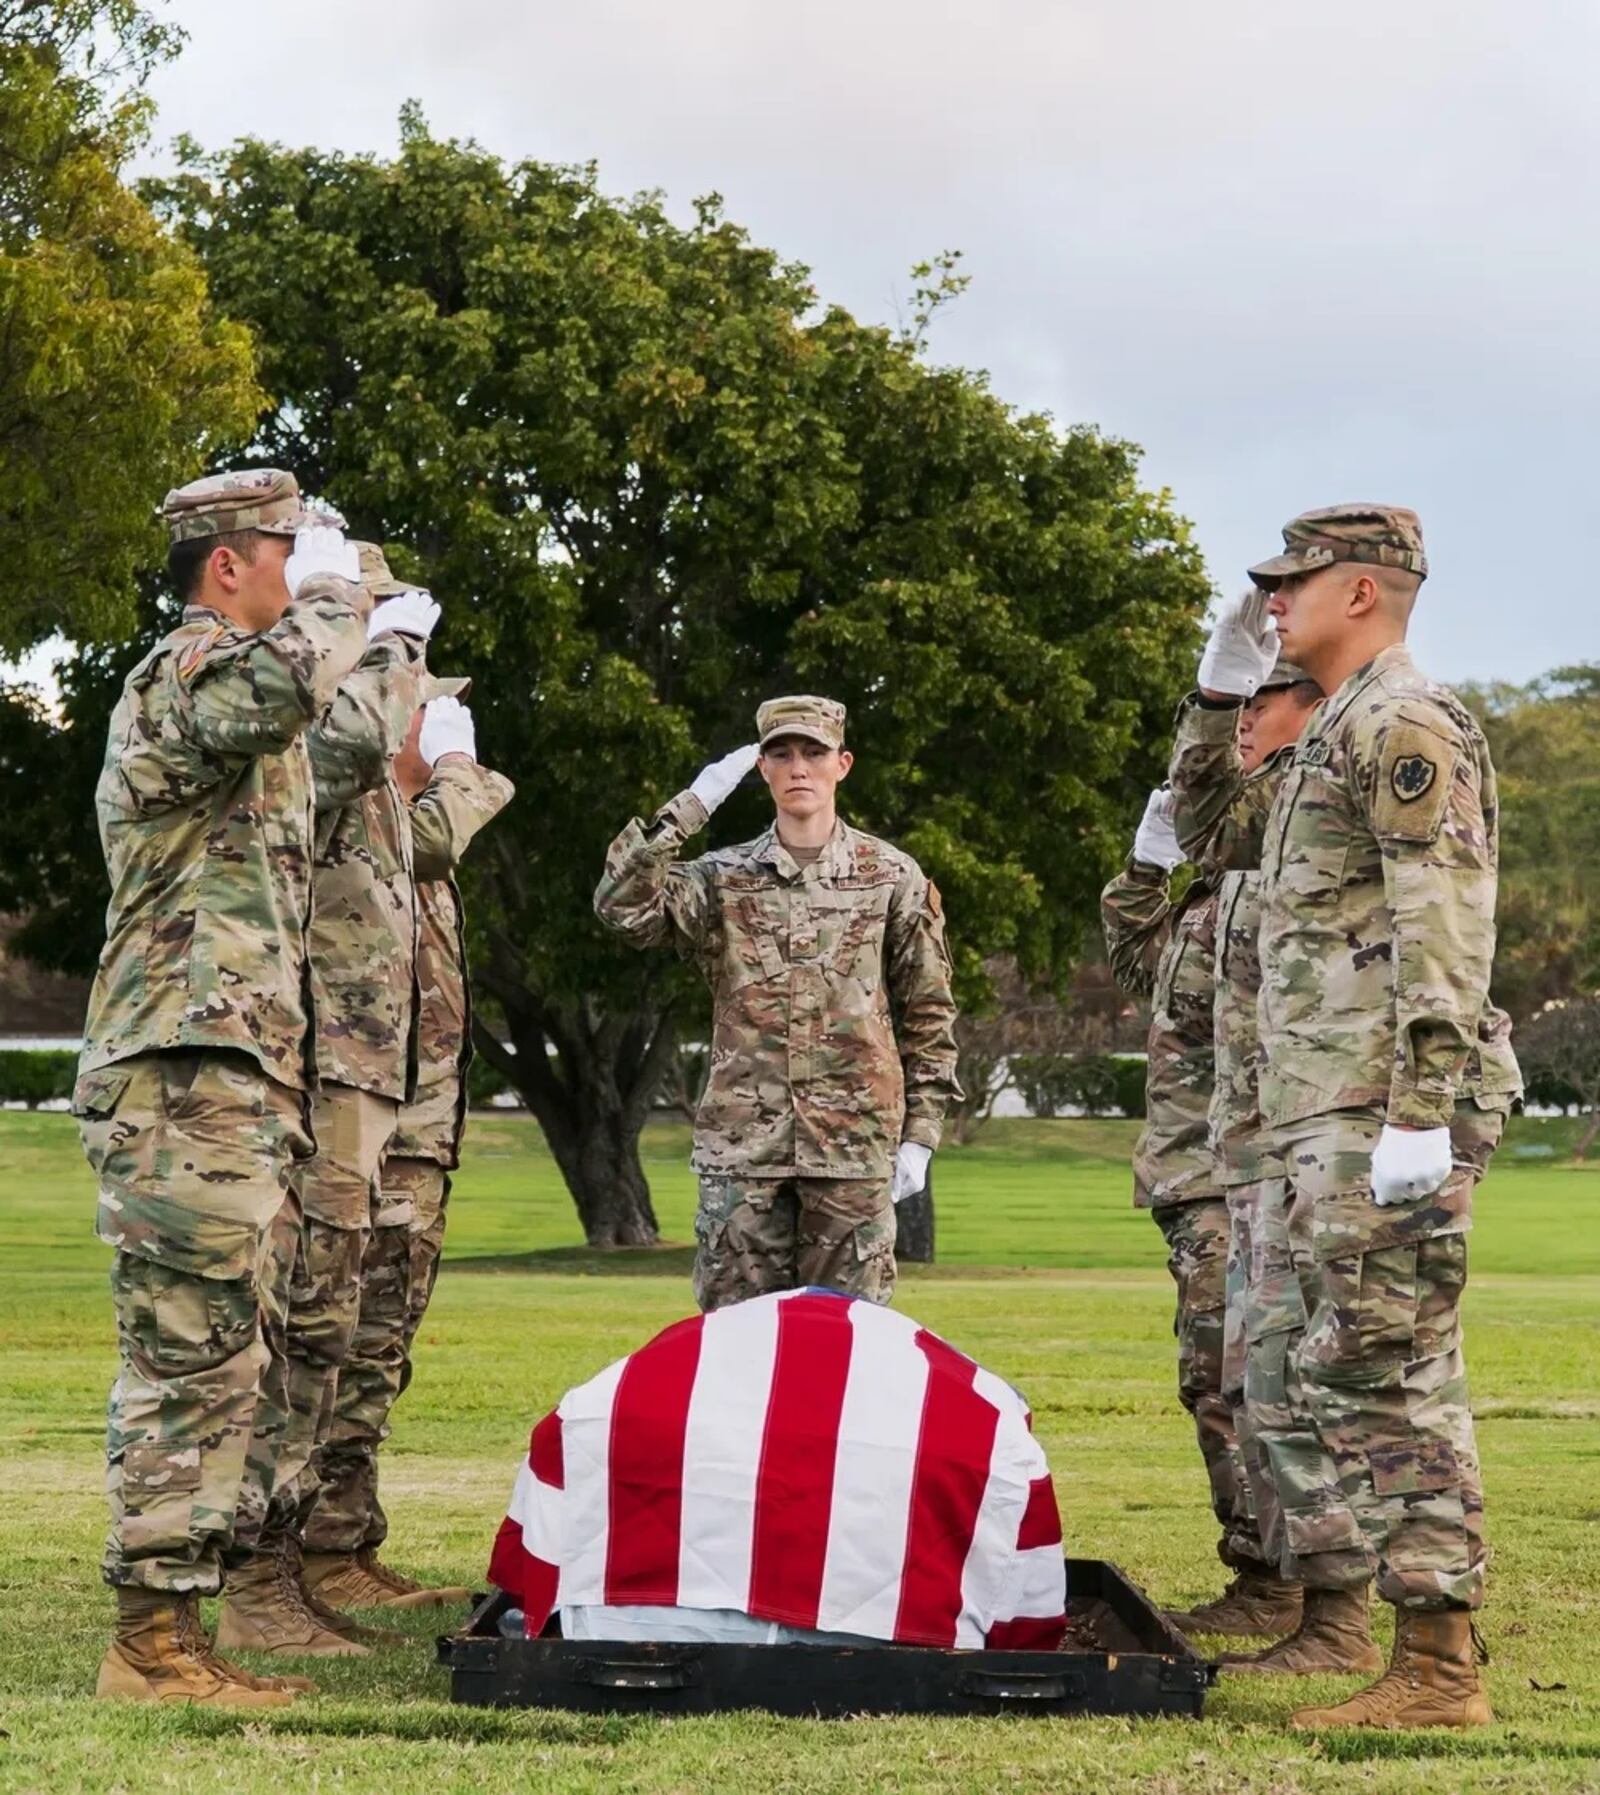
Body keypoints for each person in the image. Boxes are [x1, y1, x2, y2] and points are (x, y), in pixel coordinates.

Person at [1169, 505, 1521, 1730]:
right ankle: (1391, 1637)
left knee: (1387, 1366)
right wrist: (1218, 700)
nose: (1274, 599)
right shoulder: (1330, 736)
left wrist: (1422, 1103)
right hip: (1318, 1107)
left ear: (1361, 591)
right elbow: (1201, 835)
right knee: (1326, 1362)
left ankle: (1438, 1667)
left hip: (1381, 1106)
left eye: (1293, 580)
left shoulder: (1403, 723)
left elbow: (1444, 915)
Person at [73, 470, 369, 1707]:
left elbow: (347, 738)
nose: (301, 573)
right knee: (187, 1351)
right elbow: (295, 680)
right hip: (177, 1068)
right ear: (228, 563)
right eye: (285, 550)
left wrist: (387, 649)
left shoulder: (247, 705)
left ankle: (175, 1626)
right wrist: (348, 595)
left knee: (222, 1353)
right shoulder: (184, 675)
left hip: (227, 1071)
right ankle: (148, 1641)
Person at [217, 542, 434, 1658]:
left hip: (361, 1071)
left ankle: (292, 1563)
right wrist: (388, 639)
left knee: (331, 1322)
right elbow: (349, 742)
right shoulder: (310, 719)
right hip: (317, 1068)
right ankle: (257, 1578)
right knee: (298, 1322)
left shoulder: (343, 719)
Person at [1164, 627, 1382, 1665]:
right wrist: (1214, 690)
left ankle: (1347, 1619)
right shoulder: (1265, 813)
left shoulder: (1344, 769)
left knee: (1313, 1375)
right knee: (1257, 1381)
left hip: (1331, 1131)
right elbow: (1198, 814)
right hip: (1259, 1140)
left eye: (1265, 697)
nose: (1246, 716)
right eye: (1240, 702)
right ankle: (1308, 1602)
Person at [594, 696, 961, 1311]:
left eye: (813, 753)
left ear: (842, 764)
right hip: (744, 1156)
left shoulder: (891, 876)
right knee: (736, 1350)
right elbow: (620, 907)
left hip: (853, 1149)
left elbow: (928, 1011)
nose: (798, 768)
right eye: (781, 754)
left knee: (849, 1349)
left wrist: (921, 1134)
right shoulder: (720, 878)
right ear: (761, 769)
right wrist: (690, 808)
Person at [489, 1289, 1066, 1651]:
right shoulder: (988, 1419)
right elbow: (1027, 1624)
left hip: (626, 1628)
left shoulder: (610, 1398)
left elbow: (526, 1571)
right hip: (901, 1644)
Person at [302, 679, 515, 1611]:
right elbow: (431, 843)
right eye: (433, 704)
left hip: (416, 1131)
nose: (447, 722)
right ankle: (301, 1554)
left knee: (381, 1339)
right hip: (356, 1123)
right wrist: (465, 772)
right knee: (332, 1335)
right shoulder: (356, 809)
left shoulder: (401, 812)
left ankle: (342, 1541)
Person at [1100, 797, 1283, 1635]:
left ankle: (1278, 1583)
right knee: (1210, 1381)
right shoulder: (1202, 903)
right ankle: (1264, 1572)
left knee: (1238, 1383)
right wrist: (1147, 863)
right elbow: (1133, 952)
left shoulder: (1269, 888)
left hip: (1241, 1174)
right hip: (1193, 1177)